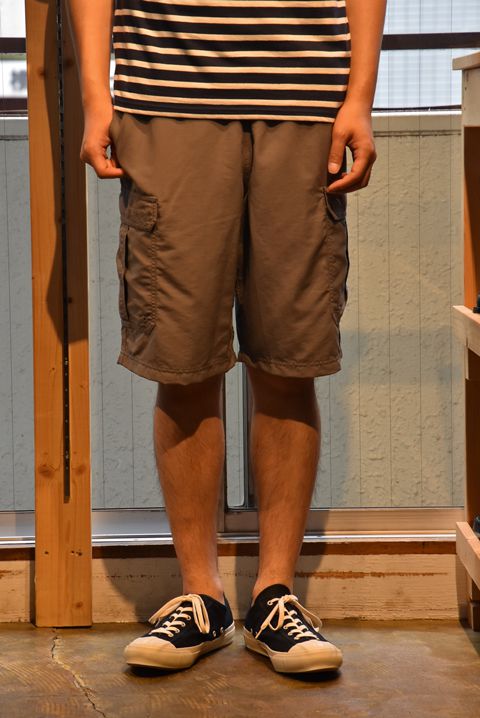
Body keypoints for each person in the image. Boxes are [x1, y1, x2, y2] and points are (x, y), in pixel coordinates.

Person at [67, 0, 386, 674]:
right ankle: (201, 597)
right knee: (181, 361)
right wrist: (97, 97)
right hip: (165, 96)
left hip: (306, 97)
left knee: (290, 358)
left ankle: (275, 596)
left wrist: (360, 94)